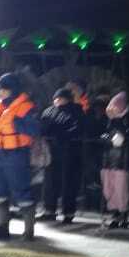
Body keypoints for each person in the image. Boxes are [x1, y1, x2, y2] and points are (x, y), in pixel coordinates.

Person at [0, 73, 40, 239]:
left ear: (13, 89)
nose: (0, 93)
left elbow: (36, 129)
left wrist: (17, 122)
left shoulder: (27, 107)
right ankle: (2, 227)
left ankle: (28, 231)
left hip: (17, 153)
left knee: (21, 189)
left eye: (4, 89)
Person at [38, 88, 84, 224]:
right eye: (56, 98)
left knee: (68, 183)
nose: (57, 101)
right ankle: (49, 210)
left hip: (70, 152)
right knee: (50, 182)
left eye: (60, 98)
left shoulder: (76, 111)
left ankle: (68, 213)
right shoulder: (49, 111)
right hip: (52, 151)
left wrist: (60, 134)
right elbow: (42, 127)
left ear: (67, 99)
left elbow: (77, 129)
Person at [100, 92, 129, 229]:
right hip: (108, 160)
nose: (112, 110)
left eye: (115, 107)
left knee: (121, 189)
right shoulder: (109, 119)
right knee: (109, 189)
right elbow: (103, 133)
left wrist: (122, 136)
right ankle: (114, 214)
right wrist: (106, 138)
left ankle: (122, 216)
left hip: (123, 160)